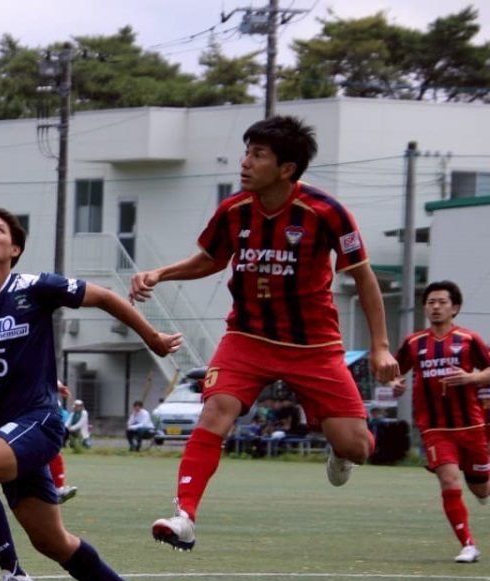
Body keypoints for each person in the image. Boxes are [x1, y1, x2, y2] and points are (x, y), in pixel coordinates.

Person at [130, 115, 399, 551]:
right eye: (247, 152)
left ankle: (341, 449)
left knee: (357, 447)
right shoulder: (234, 210)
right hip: (247, 339)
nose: (245, 162)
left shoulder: (327, 212)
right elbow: (211, 259)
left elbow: (364, 278)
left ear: (287, 168)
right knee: (215, 411)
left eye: (258, 155)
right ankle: (184, 517)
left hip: (314, 346)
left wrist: (381, 347)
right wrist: (160, 273)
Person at [0, 206, 182, 581]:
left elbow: (105, 297)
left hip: (39, 420)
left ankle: (13, 573)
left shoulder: (36, 287)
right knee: (52, 541)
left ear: (15, 248)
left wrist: (152, 337)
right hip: (3, 434)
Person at [390, 280, 490, 563]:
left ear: (454, 308)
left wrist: (471, 377)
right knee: (448, 478)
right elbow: (394, 372)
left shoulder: (469, 339)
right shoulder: (413, 343)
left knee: (482, 489)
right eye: (430, 302)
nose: (435, 307)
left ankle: (482, 485)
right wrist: (395, 383)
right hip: (434, 428)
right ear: (424, 307)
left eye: (442, 302)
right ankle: (468, 545)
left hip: (471, 426)